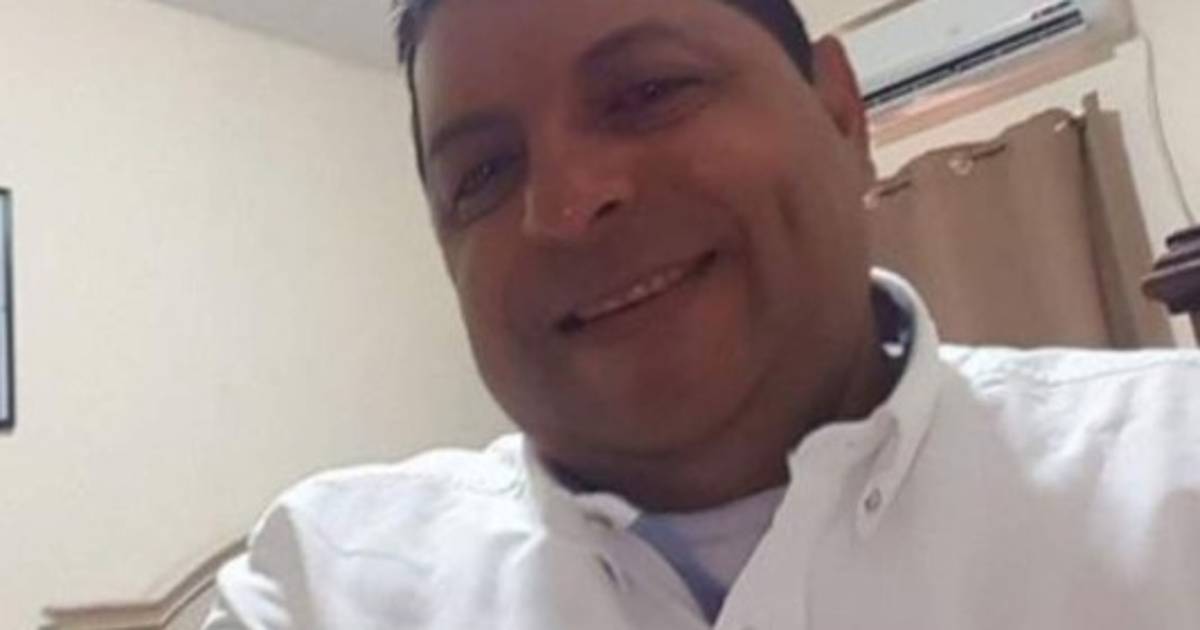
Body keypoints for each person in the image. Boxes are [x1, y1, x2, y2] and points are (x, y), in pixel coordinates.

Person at [204, 1, 1200, 628]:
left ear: (840, 114)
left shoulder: (1174, 472)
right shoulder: (330, 587)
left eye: (648, 91)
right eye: (484, 173)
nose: (565, 203)